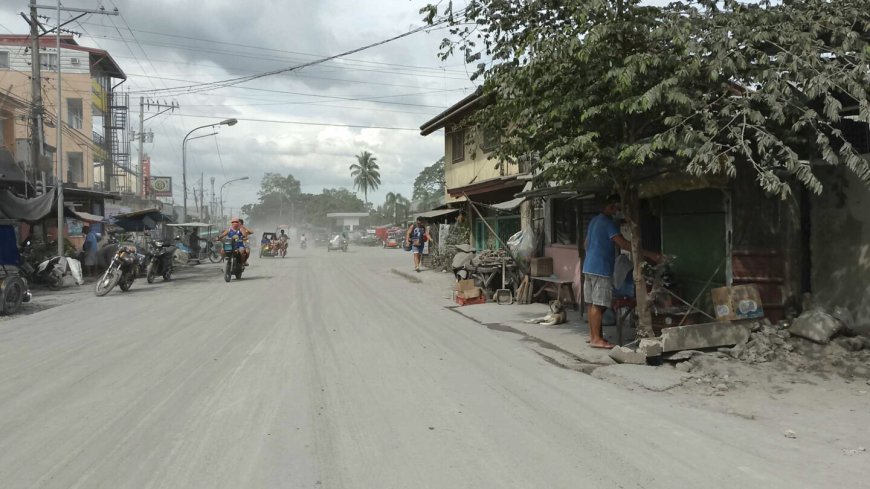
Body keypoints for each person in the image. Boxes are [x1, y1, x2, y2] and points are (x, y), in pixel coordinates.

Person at [583, 195, 660, 349]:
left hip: (588, 267)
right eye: (617, 207)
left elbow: (586, 244)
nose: (618, 210)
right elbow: (623, 244)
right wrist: (649, 254)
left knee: (592, 304)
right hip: (601, 269)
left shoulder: (594, 221)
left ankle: (593, 336)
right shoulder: (608, 223)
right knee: (598, 305)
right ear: (610, 207)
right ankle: (596, 339)